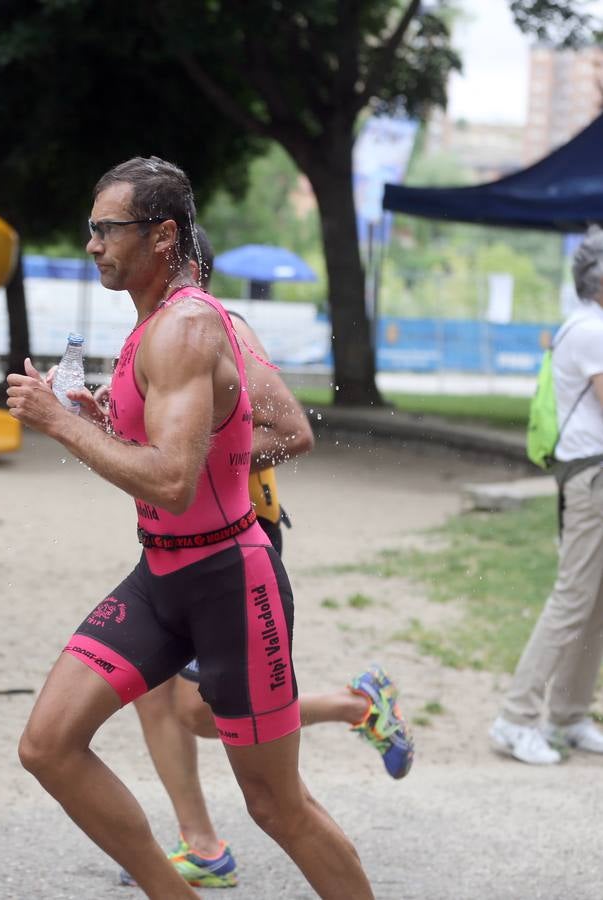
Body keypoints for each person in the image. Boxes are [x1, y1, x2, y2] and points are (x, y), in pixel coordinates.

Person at [6, 155, 387, 899]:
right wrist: (100, 421)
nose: (92, 245)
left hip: (229, 581)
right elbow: (165, 455)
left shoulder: (184, 327)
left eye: (105, 229)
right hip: (162, 575)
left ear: (161, 236)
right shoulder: (152, 324)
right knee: (48, 745)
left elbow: (174, 484)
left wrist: (56, 422)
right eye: (92, 229)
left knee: (278, 806)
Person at [117, 225, 413, 888]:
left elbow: (293, 432)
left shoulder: (219, 327)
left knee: (198, 713)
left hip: (233, 543)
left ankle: (356, 704)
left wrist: (198, 466)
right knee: (151, 694)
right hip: (175, 543)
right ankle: (201, 844)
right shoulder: (155, 335)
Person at [490, 224, 603, 766]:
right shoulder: (593, 329)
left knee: (593, 603)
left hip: (587, 474)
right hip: (593, 477)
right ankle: (515, 718)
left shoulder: (586, 324)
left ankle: (569, 714)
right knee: (572, 599)